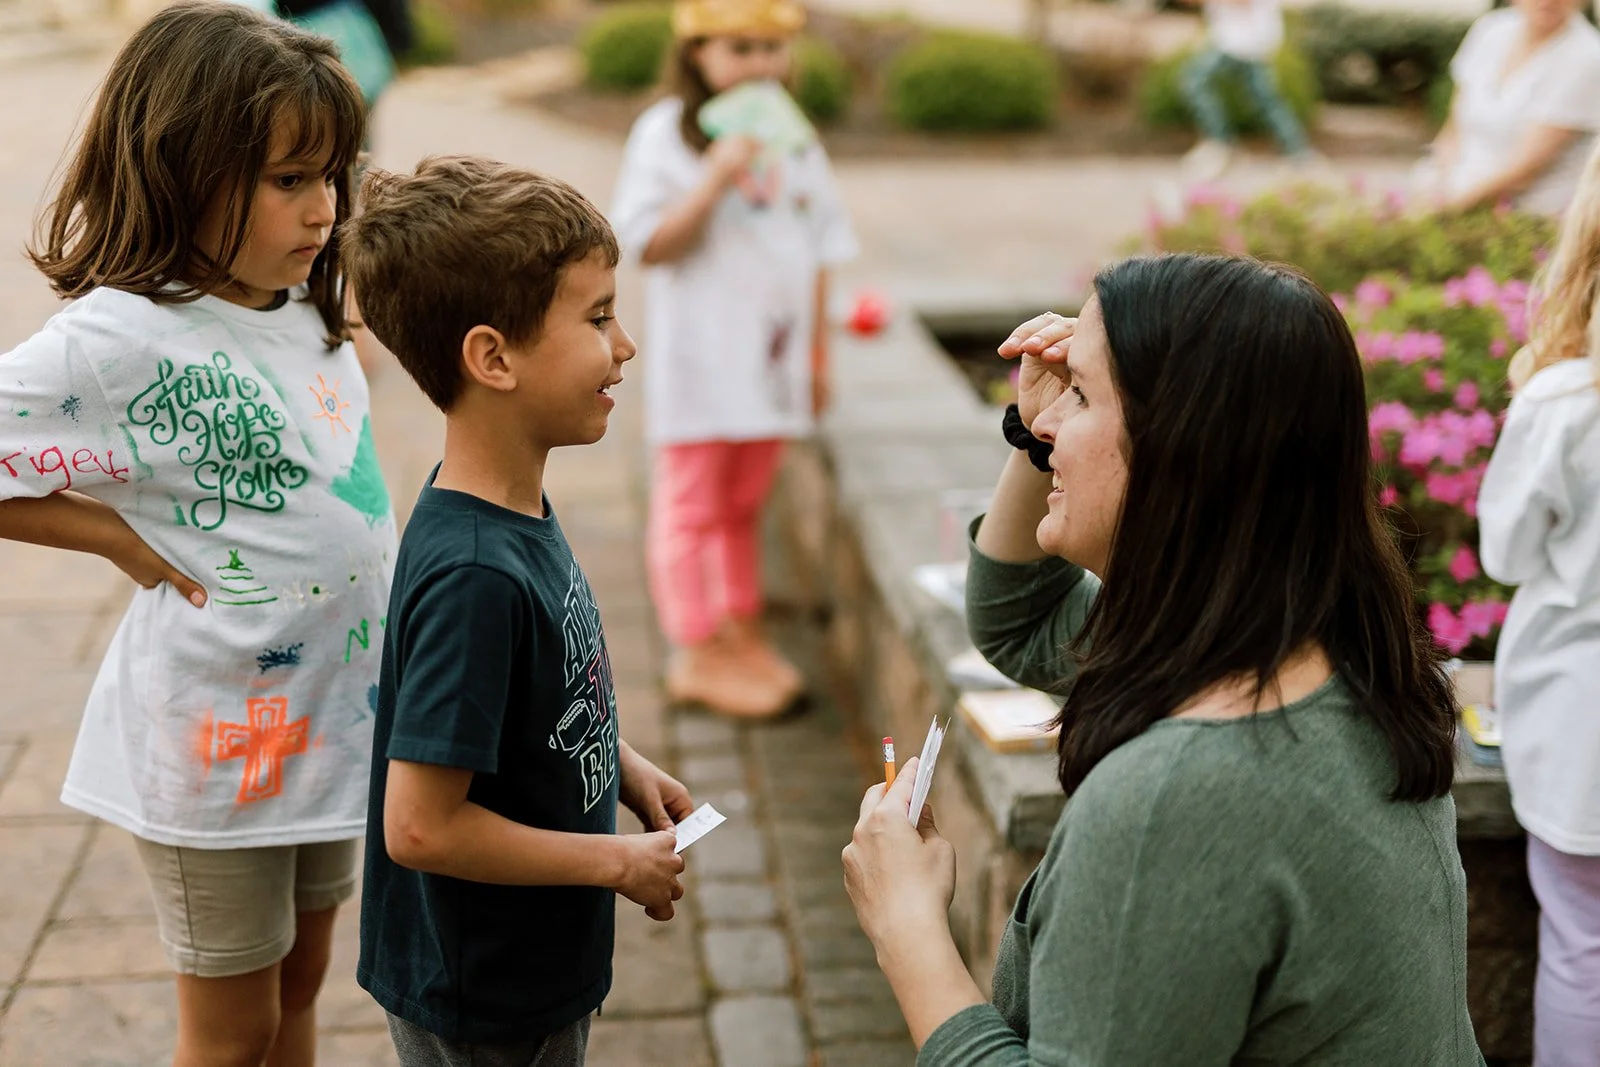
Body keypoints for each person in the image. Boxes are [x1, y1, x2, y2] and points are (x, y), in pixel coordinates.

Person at [841, 254, 1487, 1064]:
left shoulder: (1171, 804)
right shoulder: (1328, 649)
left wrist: (908, 930)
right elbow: (1019, 619)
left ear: (1181, 448)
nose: (1044, 426)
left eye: (1080, 394)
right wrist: (1038, 433)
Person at [0, 5, 387, 1065]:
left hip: (329, 725)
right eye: (288, 181)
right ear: (184, 170)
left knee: (302, 984)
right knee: (232, 1030)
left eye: (334, 175)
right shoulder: (120, 338)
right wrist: (113, 538)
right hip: (215, 750)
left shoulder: (302, 300)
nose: (325, 209)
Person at [342, 156, 693, 1067]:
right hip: (485, 996)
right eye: (599, 316)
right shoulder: (474, 574)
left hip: (521, 969)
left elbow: (518, 703)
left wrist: (618, 763)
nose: (625, 345)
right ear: (493, 356)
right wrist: (617, 861)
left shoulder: (507, 506)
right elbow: (420, 824)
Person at [609, 0, 859, 720]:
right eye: (739, 48)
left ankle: (741, 629)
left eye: (771, 48)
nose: (758, 65)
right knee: (690, 502)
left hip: (771, 364)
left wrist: (817, 352)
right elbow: (648, 244)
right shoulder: (664, 135)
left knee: (745, 503)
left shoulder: (796, 139)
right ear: (697, 54)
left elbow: (821, 247)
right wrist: (714, 177)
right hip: (702, 361)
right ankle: (695, 646)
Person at [1477, 139, 1600, 1064]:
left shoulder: (1566, 402)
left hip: (1580, 731)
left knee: (1582, 947)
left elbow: (1506, 549)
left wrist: (1530, 394)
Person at [1420, 0, 1600, 216]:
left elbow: (1525, 169)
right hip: (1456, 194)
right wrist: (1439, 180)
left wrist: (1449, 209)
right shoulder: (1491, 29)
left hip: (1527, 215)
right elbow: (1454, 127)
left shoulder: (1587, 58)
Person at [1178, 0, 1314, 182]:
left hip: (1243, 43)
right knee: (1266, 101)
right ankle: (1298, 152)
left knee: (1195, 80)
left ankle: (1222, 144)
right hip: (1238, 43)